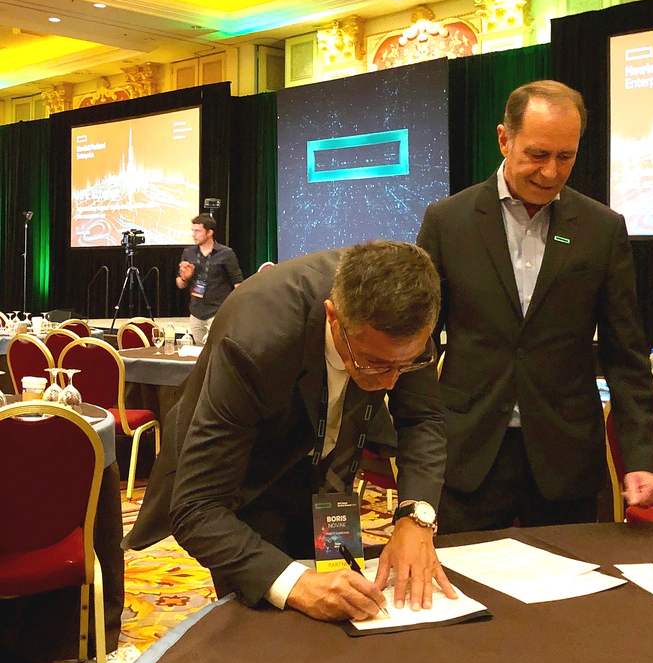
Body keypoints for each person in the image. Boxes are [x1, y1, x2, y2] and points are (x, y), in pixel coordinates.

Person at [125, 241, 456, 621]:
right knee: (267, 639)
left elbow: (421, 419)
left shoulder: (404, 323)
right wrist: (295, 583)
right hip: (248, 482)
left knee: (342, 621)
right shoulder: (256, 338)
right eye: (372, 364)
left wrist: (416, 516)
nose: (389, 383)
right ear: (334, 317)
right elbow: (198, 507)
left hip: (331, 484)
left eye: (407, 365)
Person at [417, 80, 653, 534]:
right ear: (503, 139)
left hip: (564, 458)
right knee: (468, 590)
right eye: (537, 155)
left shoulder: (601, 229)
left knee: (569, 599)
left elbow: (625, 353)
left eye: (565, 157)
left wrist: (640, 457)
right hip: (467, 455)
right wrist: (411, 443)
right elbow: (419, 341)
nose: (551, 172)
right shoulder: (447, 222)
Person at [176, 214, 244, 343]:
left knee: (216, 350)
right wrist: (184, 278)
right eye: (193, 231)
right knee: (199, 353)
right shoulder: (188, 253)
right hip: (196, 313)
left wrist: (236, 311)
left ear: (209, 232)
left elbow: (237, 283)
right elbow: (180, 284)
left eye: (198, 231)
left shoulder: (226, 253)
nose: (194, 234)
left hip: (217, 312)